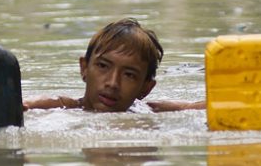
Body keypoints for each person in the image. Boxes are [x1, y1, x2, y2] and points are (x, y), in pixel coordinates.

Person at [22, 18, 205, 113]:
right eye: (103, 66)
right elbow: (29, 104)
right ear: (84, 68)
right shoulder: (63, 107)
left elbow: (191, 108)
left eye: (129, 75)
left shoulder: (147, 111)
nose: (113, 83)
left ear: (145, 88)